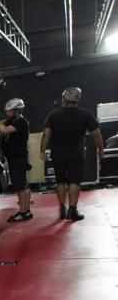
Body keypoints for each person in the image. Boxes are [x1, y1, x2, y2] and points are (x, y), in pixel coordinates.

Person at [40, 87, 105, 221]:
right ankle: (72, 211)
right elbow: (96, 134)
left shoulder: (54, 114)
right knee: (74, 181)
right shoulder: (85, 114)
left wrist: (42, 151)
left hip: (58, 153)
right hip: (76, 153)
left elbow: (46, 134)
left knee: (60, 181)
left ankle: (62, 208)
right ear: (77, 99)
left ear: (64, 99)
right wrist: (101, 149)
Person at [0, 99, 31, 222]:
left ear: (16, 111)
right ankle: (26, 211)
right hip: (18, 157)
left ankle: (23, 212)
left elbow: (5, 129)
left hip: (17, 158)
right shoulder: (16, 120)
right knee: (24, 185)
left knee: (20, 187)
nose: (7, 114)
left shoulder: (21, 122)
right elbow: (4, 122)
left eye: (9, 111)